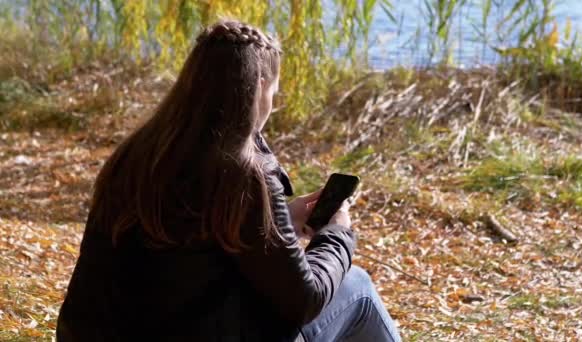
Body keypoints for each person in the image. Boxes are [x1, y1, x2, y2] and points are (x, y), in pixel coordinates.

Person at [56, 20, 401, 342]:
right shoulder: (242, 173)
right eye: (274, 93)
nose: (272, 104)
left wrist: (280, 216)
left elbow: (190, 253)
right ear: (261, 86)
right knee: (357, 288)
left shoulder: (139, 153)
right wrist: (337, 235)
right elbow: (304, 301)